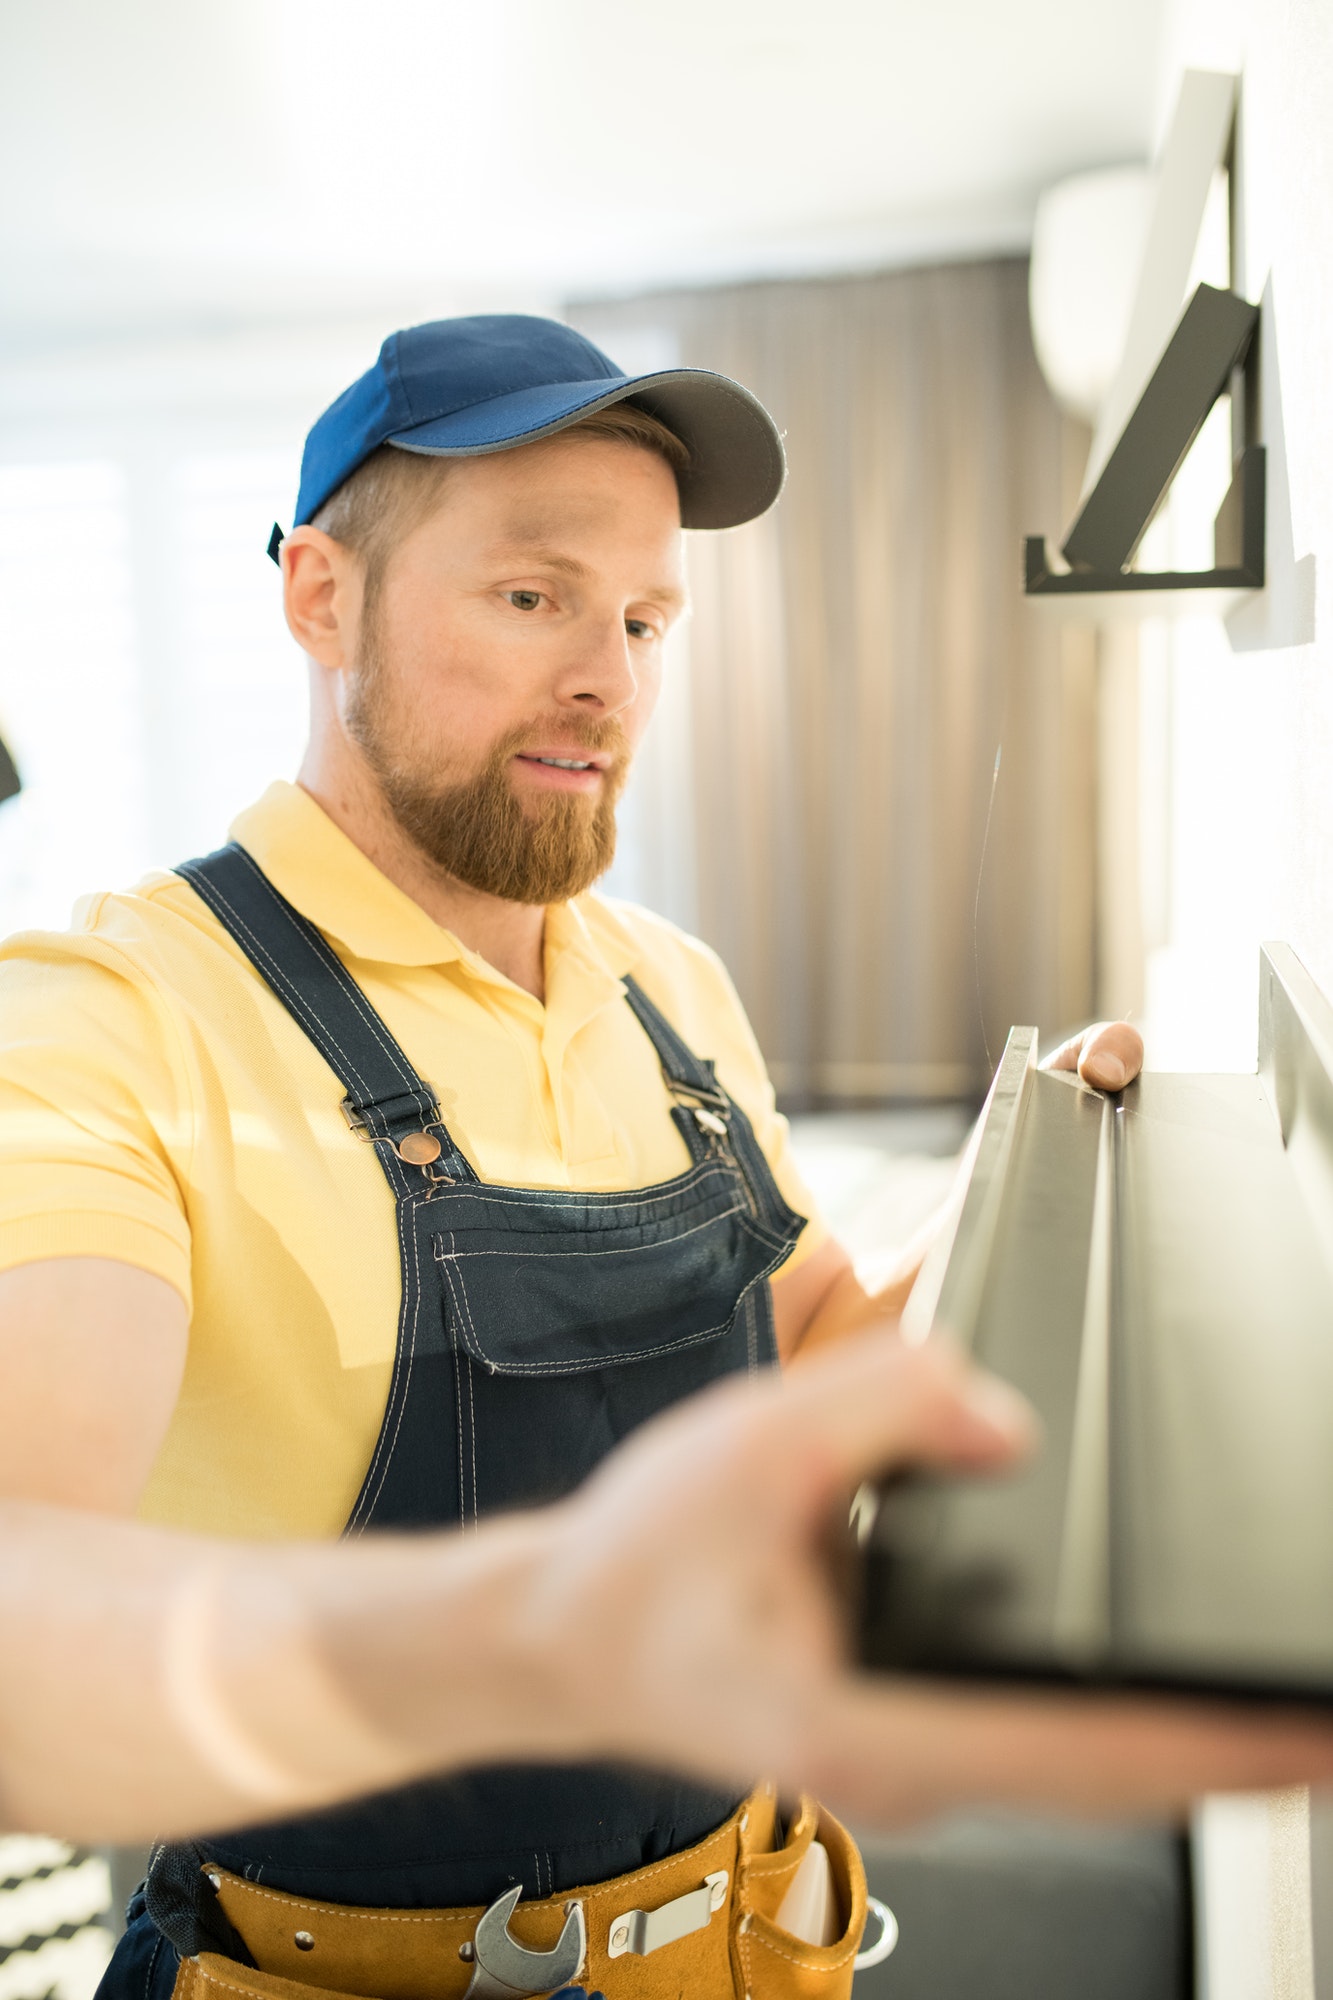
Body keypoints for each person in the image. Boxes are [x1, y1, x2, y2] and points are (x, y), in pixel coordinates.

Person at [0, 316, 1146, 2000]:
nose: (606, 676)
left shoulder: (666, 983)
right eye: (532, 596)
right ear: (324, 598)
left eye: (643, 616)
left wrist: (1033, 1196)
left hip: (764, 1937)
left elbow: (818, 1347)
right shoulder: (105, 1018)